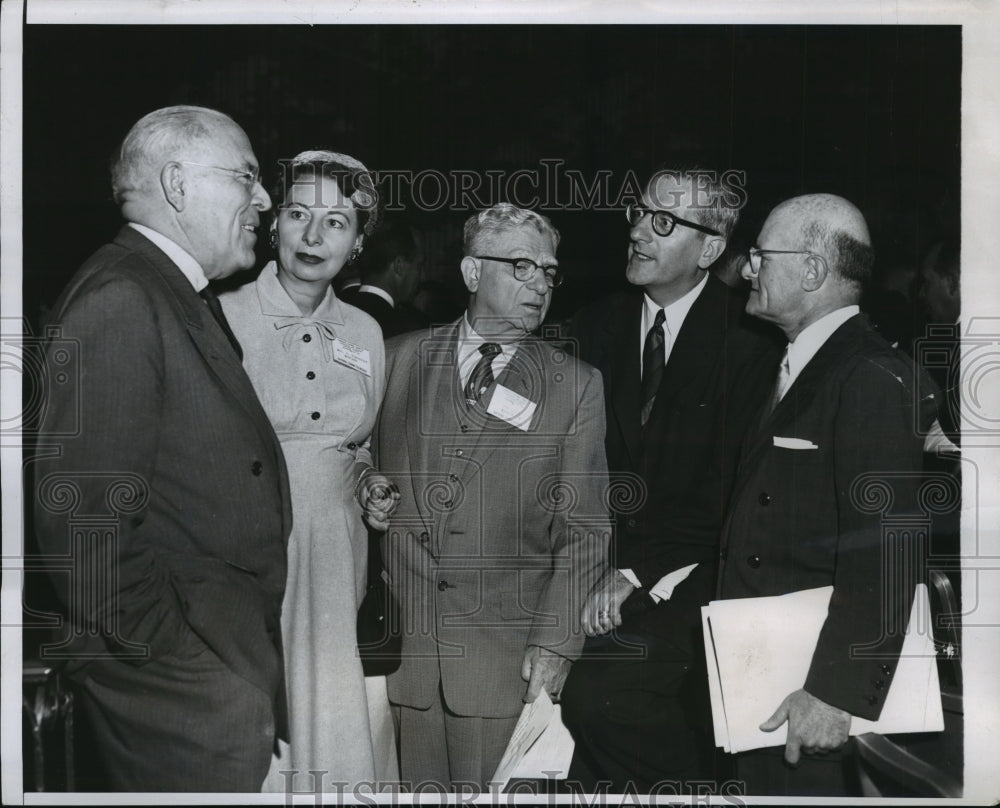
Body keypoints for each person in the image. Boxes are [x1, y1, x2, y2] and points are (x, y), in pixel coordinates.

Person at [32, 105, 289, 791]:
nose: (264, 199)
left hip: (215, 673)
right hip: (180, 693)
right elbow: (86, 532)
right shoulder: (122, 297)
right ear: (178, 185)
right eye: (248, 177)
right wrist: (188, 674)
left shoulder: (166, 290)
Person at [371, 203, 612, 790]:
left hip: (504, 665)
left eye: (549, 273)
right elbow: (355, 462)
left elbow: (586, 531)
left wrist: (557, 645)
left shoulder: (574, 386)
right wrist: (365, 486)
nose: (540, 286)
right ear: (472, 273)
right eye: (522, 267)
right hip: (403, 663)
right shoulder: (395, 359)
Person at [559, 167, 781, 792]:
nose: (637, 232)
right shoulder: (593, 325)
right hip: (597, 563)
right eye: (638, 214)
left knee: (599, 697)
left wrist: (634, 571)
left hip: (697, 570)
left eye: (662, 222)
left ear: (710, 249)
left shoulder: (754, 341)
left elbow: (734, 495)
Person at [718, 193, 932, 795]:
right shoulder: (794, 365)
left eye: (761, 255)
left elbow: (887, 553)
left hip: (810, 688)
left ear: (812, 270)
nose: (748, 269)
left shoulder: (869, 376)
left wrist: (833, 692)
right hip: (761, 666)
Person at [220, 150, 400, 791]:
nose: (314, 236)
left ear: (357, 245)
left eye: (338, 222)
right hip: (255, 543)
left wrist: (373, 483)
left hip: (338, 551)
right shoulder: (224, 314)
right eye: (298, 214)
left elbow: (362, 446)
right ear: (273, 225)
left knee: (332, 703)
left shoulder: (365, 332)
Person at [352, 214, 430, 337]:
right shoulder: (406, 331)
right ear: (400, 266)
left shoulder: (335, 313)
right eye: (419, 266)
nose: (423, 276)